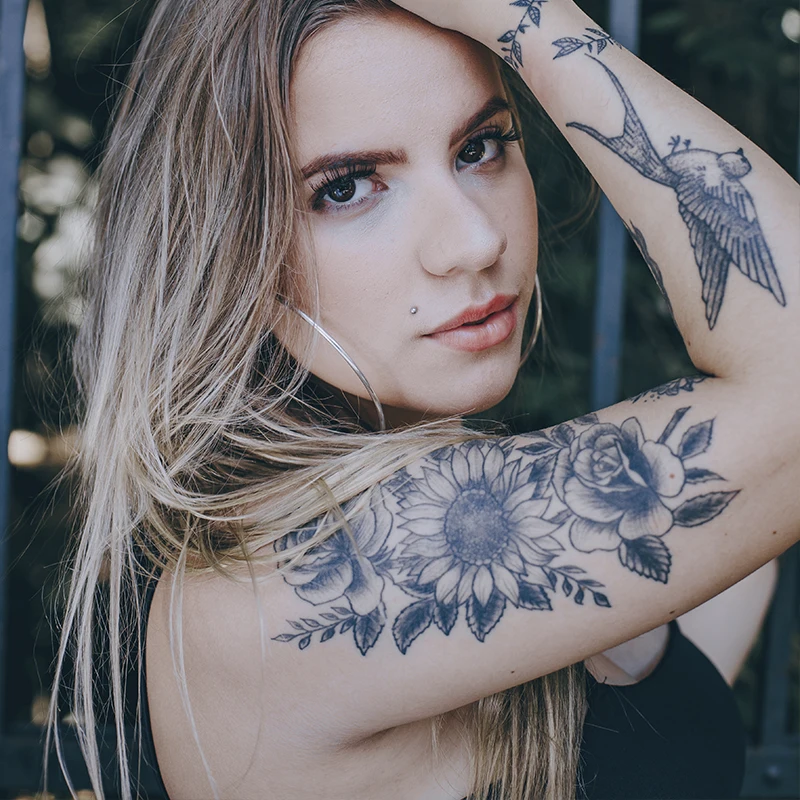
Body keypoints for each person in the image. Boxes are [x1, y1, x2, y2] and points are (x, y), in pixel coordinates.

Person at [43, 0, 798, 798]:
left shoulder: (509, 529)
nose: (475, 240)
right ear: (222, 248)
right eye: (346, 188)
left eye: (480, 147)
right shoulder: (269, 595)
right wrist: (534, 22)